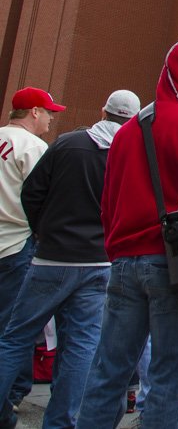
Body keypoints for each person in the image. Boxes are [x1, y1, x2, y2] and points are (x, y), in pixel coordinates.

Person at [76, 41, 178, 429]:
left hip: (123, 262)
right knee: (168, 381)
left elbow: (108, 201)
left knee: (108, 371)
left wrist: (116, 247)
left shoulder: (128, 131)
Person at [0, 90, 136, 429]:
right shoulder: (131, 154)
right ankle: (60, 423)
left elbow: (32, 192)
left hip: (52, 258)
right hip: (98, 263)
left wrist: (43, 231)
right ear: (131, 120)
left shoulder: (67, 145)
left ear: (103, 110)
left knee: (16, 337)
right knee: (80, 347)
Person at [0, 86, 65, 414]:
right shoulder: (35, 146)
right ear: (34, 112)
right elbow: (44, 197)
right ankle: (10, 395)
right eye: (48, 111)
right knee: (15, 326)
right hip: (17, 243)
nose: (52, 118)